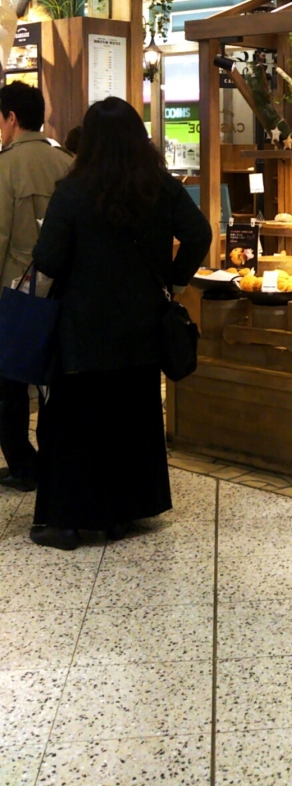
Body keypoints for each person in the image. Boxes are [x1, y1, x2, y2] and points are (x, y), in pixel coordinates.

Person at [31, 96, 211, 550]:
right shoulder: (159, 186)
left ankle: (70, 521)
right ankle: (123, 512)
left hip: (84, 327)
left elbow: (48, 258)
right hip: (142, 325)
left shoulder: (72, 191)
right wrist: (173, 280)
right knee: (133, 416)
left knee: (77, 423)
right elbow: (199, 233)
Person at [0, 82, 72, 490]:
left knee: (9, 382)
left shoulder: (5, 165)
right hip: (61, 292)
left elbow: (0, 237)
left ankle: (23, 465)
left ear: (12, 118)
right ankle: (53, 459)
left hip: (15, 292)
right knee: (53, 382)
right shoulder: (66, 161)